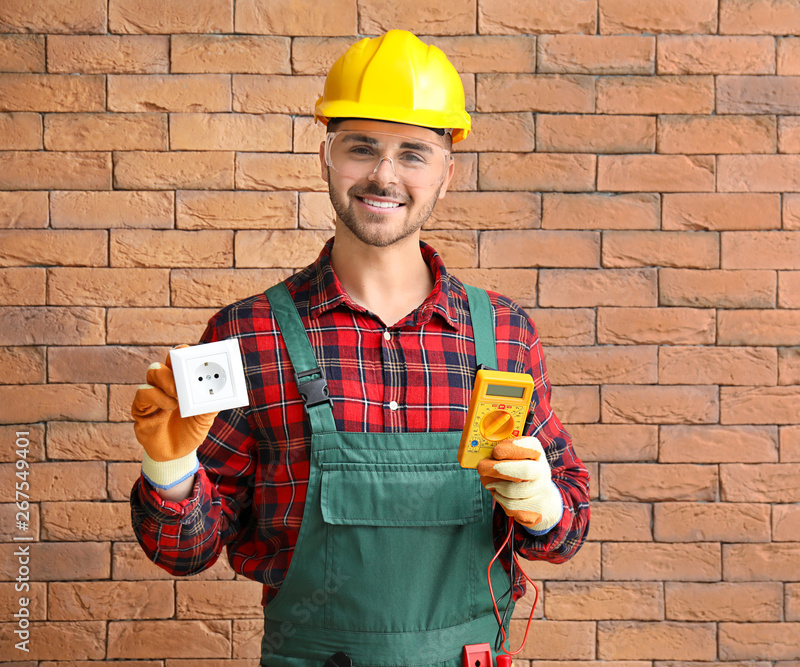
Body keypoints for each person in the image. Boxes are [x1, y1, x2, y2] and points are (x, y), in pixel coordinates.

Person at [129, 30, 590, 667]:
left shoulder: (504, 333)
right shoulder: (248, 334)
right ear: (326, 157)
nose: (384, 174)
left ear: (446, 174)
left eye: (414, 153)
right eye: (361, 147)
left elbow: (565, 537)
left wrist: (543, 506)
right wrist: (169, 469)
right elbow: (186, 552)